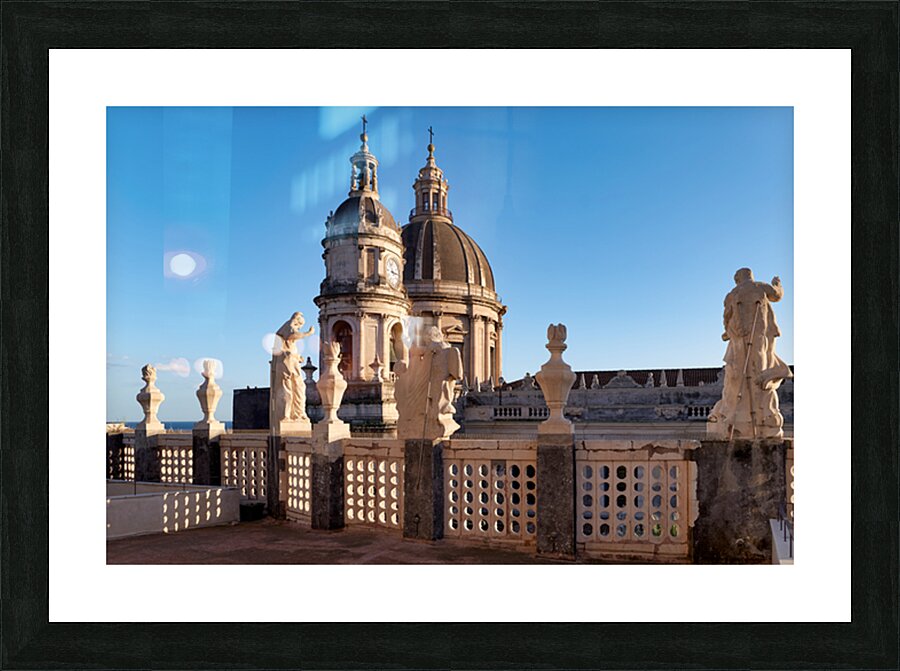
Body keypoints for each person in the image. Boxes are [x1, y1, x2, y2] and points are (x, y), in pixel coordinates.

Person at [709, 268, 791, 439]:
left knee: (737, 372)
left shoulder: (732, 294)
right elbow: (777, 295)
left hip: (739, 338)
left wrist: (726, 332)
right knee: (758, 368)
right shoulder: (760, 287)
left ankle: (739, 415)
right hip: (758, 335)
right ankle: (758, 414)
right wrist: (777, 284)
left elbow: (726, 317)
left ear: (738, 279)